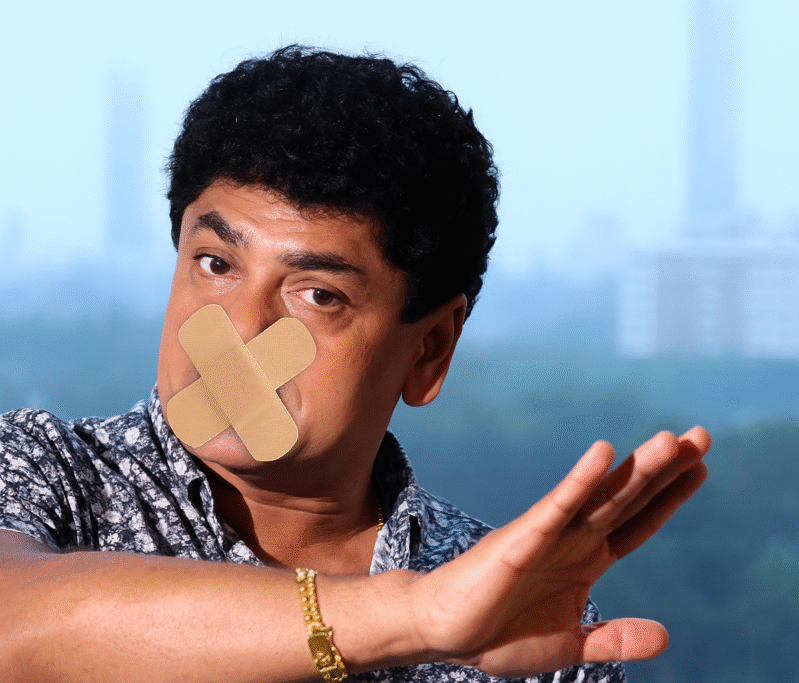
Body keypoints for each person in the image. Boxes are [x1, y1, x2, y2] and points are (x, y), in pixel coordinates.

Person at [0, 46, 710, 682]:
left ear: (429, 350)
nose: (242, 328)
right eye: (215, 264)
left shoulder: (523, 617)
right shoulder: (42, 470)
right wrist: (415, 618)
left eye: (317, 294)